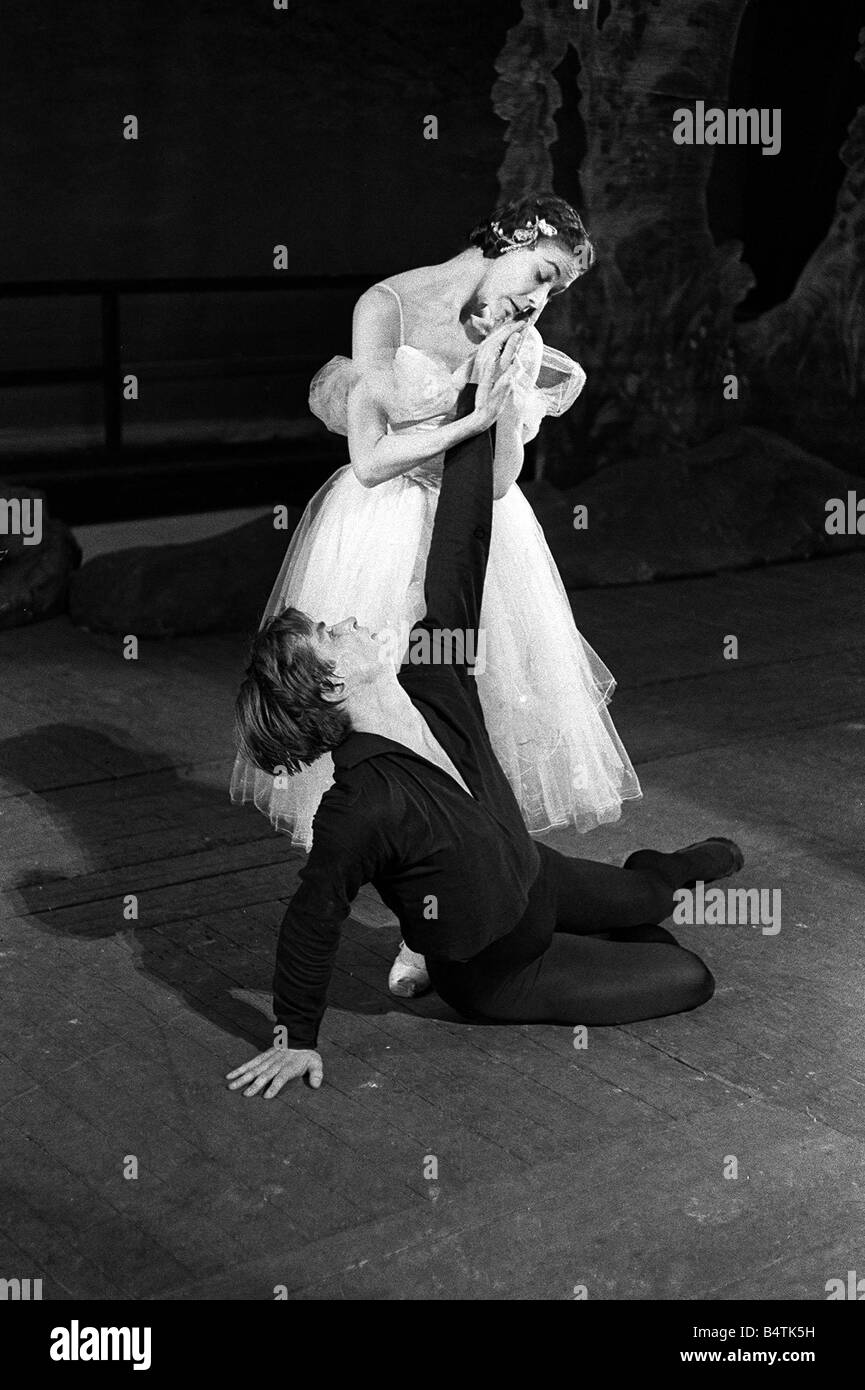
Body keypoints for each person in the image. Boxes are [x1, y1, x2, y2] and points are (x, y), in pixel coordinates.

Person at [226, 339, 743, 1100]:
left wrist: (482, 406)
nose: (349, 622)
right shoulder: (360, 806)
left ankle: (659, 873)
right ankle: (590, 935)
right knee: (686, 974)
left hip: (534, 878)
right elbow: (312, 918)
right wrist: (294, 1037)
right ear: (332, 683)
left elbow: (460, 545)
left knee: (651, 902)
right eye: (332, 634)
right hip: (506, 969)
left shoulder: (430, 675)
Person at [229, 196, 643, 996]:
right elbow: (372, 457)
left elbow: (495, 483)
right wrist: (468, 414)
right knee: (388, 720)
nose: (539, 300)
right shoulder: (388, 304)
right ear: (514, 240)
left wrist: (505, 397)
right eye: (542, 275)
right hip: (381, 524)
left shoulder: (518, 337)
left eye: (556, 294)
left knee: (478, 711)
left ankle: (491, 888)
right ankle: (419, 915)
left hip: (474, 530)